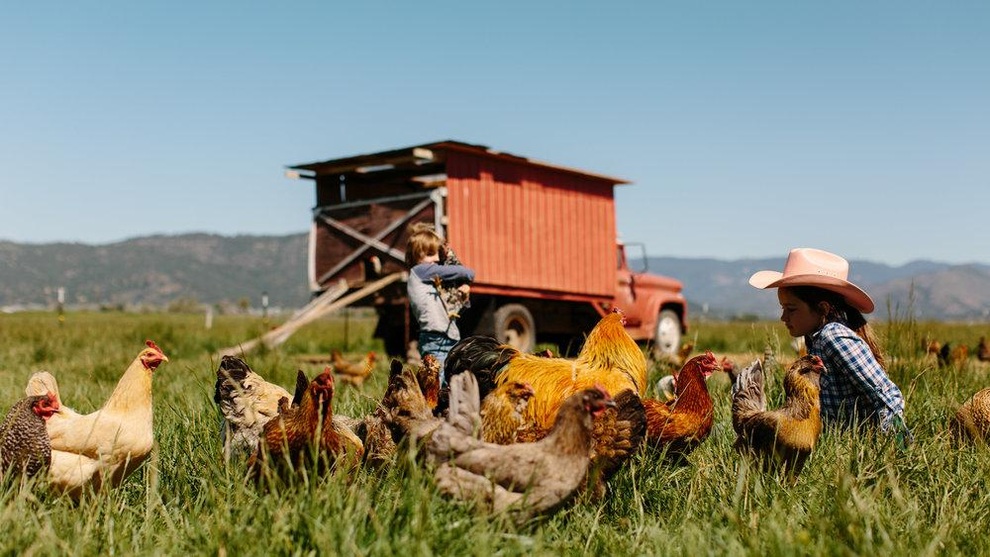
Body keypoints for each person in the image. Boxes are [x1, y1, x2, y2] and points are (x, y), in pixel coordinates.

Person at [749, 247, 913, 447]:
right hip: (841, 444)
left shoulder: (834, 337)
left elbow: (885, 393)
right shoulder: (816, 338)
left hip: (857, 445)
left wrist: (897, 447)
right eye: (783, 309)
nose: (784, 317)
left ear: (823, 308)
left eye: (791, 309)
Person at [405, 223, 475, 380]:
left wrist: (463, 297)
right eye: (431, 254)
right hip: (434, 339)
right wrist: (469, 274)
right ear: (417, 255)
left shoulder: (431, 281)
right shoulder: (420, 271)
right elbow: (464, 272)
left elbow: (451, 310)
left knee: (447, 381)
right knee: (437, 381)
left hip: (448, 336)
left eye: (437, 253)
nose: (436, 259)